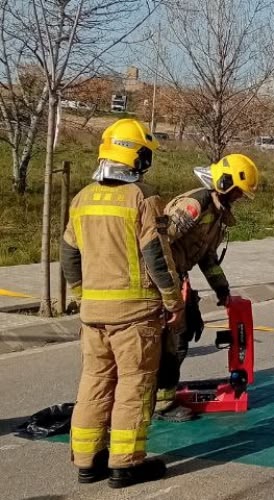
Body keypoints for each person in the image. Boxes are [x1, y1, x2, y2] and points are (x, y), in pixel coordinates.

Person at [61, 119, 182, 489]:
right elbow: (156, 257)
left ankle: (87, 460)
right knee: (134, 386)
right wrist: (172, 300)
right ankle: (125, 465)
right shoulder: (141, 199)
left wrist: (81, 295)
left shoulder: (81, 199)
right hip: (135, 316)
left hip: (94, 316)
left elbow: (68, 255)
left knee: (94, 382)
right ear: (136, 156)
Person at [154, 154, 260, 422]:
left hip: (176, 278)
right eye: (237, 191)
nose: (238, 197)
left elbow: (206, 257)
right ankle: (160, 402)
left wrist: (221, 289)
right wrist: (170, 287)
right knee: (173, 342)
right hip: (163, 281)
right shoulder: (195, 205)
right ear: (225, 183)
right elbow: (158, 245)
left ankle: (155, 395)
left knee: (182, 336)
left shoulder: (216, 213)